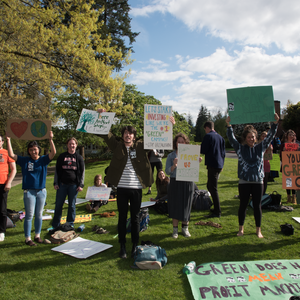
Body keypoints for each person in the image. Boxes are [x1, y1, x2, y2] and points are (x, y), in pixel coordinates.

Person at [96, 108, 174, 259]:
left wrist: (169, 125)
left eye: (130, 133)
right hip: (122, 188)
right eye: (125, 132)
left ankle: (134, 246)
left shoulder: (141, 146)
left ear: (134, 135)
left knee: (135, 217)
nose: (128, 135)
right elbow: (106, 134)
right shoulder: (116, 145)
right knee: (122, 217)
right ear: (122, 135)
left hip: (137, 189)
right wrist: (102, 116)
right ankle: (123, 247)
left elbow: (158, 136)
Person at [226, 113, 279, 238]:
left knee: (257, 206)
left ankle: (258, 230)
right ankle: (241, 229)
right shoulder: (240, 148)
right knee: (243, 205)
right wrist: (228, 125)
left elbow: (270, 137)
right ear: (245, 138)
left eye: (253, 137)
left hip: (258, 181)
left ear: (256, 138)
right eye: (249, 137)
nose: (251, 139)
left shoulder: (260, 147)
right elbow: (231, 138)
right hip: (244, 181)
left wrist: (275, 124)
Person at [7, 132, 56, 246]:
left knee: (39, 215)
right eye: (31, 150)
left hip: (41, 192)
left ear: (38, 149)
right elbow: (11, 154)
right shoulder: (25, 161)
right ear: (29, 151)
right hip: (29, 192)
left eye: (35, 149)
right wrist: (8, 140)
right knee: (29, 215)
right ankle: (28, 238)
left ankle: (37, 236)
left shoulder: (43, 160)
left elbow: (53, 153)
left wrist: (50, 139)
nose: (34, 152)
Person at [165, 133, 202, 238]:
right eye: (178, 142)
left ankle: (185, 229)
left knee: (187, 204)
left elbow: (192, 168)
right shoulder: (171, 156)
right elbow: (167, 172)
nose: (180, 143)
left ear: (186, 142)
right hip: (175, 182)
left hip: (188, 181)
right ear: (175, 143)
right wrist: (174, 165)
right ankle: (175, 230)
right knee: (175, 205)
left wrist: (197, 161)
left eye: (182, 141)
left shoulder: (191, 153)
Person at [52, 137, 85, 229]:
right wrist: (56, 183)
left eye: (73, 144)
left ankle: (70, 223)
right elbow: (57, 171)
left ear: (76, 145)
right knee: (59, 205)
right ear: (67, 145)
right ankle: (55, 224)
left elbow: (82, 172)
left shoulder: (79, 158)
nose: (72, 145)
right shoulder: (62, 156)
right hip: (62, 185)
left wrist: (81, 185)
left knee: (71, 205)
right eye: (70, 144)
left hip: (73, 186)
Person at [200, 121, 225, 218]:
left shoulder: (208, 136)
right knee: (209, 185)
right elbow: (223, 153)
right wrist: (222, 165)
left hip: (212, 165)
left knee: (213, 188)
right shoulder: (220, 137)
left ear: (206, 127)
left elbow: (203, 150)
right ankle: (215, 207)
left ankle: (217, 211)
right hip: (218, 164)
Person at [0, 135, 16, 242]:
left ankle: (1, 231)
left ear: (2, 142)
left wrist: (9, 182)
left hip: (3, 185)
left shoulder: (6, 153)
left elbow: (14, 169)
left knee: (2, 210)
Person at [280, 130, 299, 204]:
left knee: (294, 182)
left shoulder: (297, 145)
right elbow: (281, 156)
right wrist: (284, 152)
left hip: (294, 165)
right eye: (290, 135)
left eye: (293, 135)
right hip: (286, 165)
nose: (292, 136)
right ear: (286, 136)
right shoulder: (284, 145)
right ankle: (289, 197)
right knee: (288, 182)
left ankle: (294, 198)